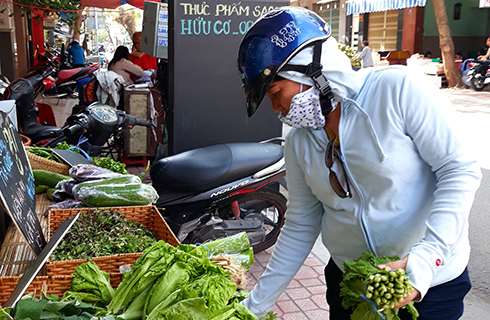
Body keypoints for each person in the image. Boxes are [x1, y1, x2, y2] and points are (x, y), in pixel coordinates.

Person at [237, 7, 481, 320]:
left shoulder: (397, 91)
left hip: (432, 284)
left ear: (311, 70)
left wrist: (429, 256)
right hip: (352, 284)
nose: (275, 108)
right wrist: (255, 306)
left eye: (275, 92)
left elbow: (458, 170)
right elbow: (300, 224)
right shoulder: (299, 142)